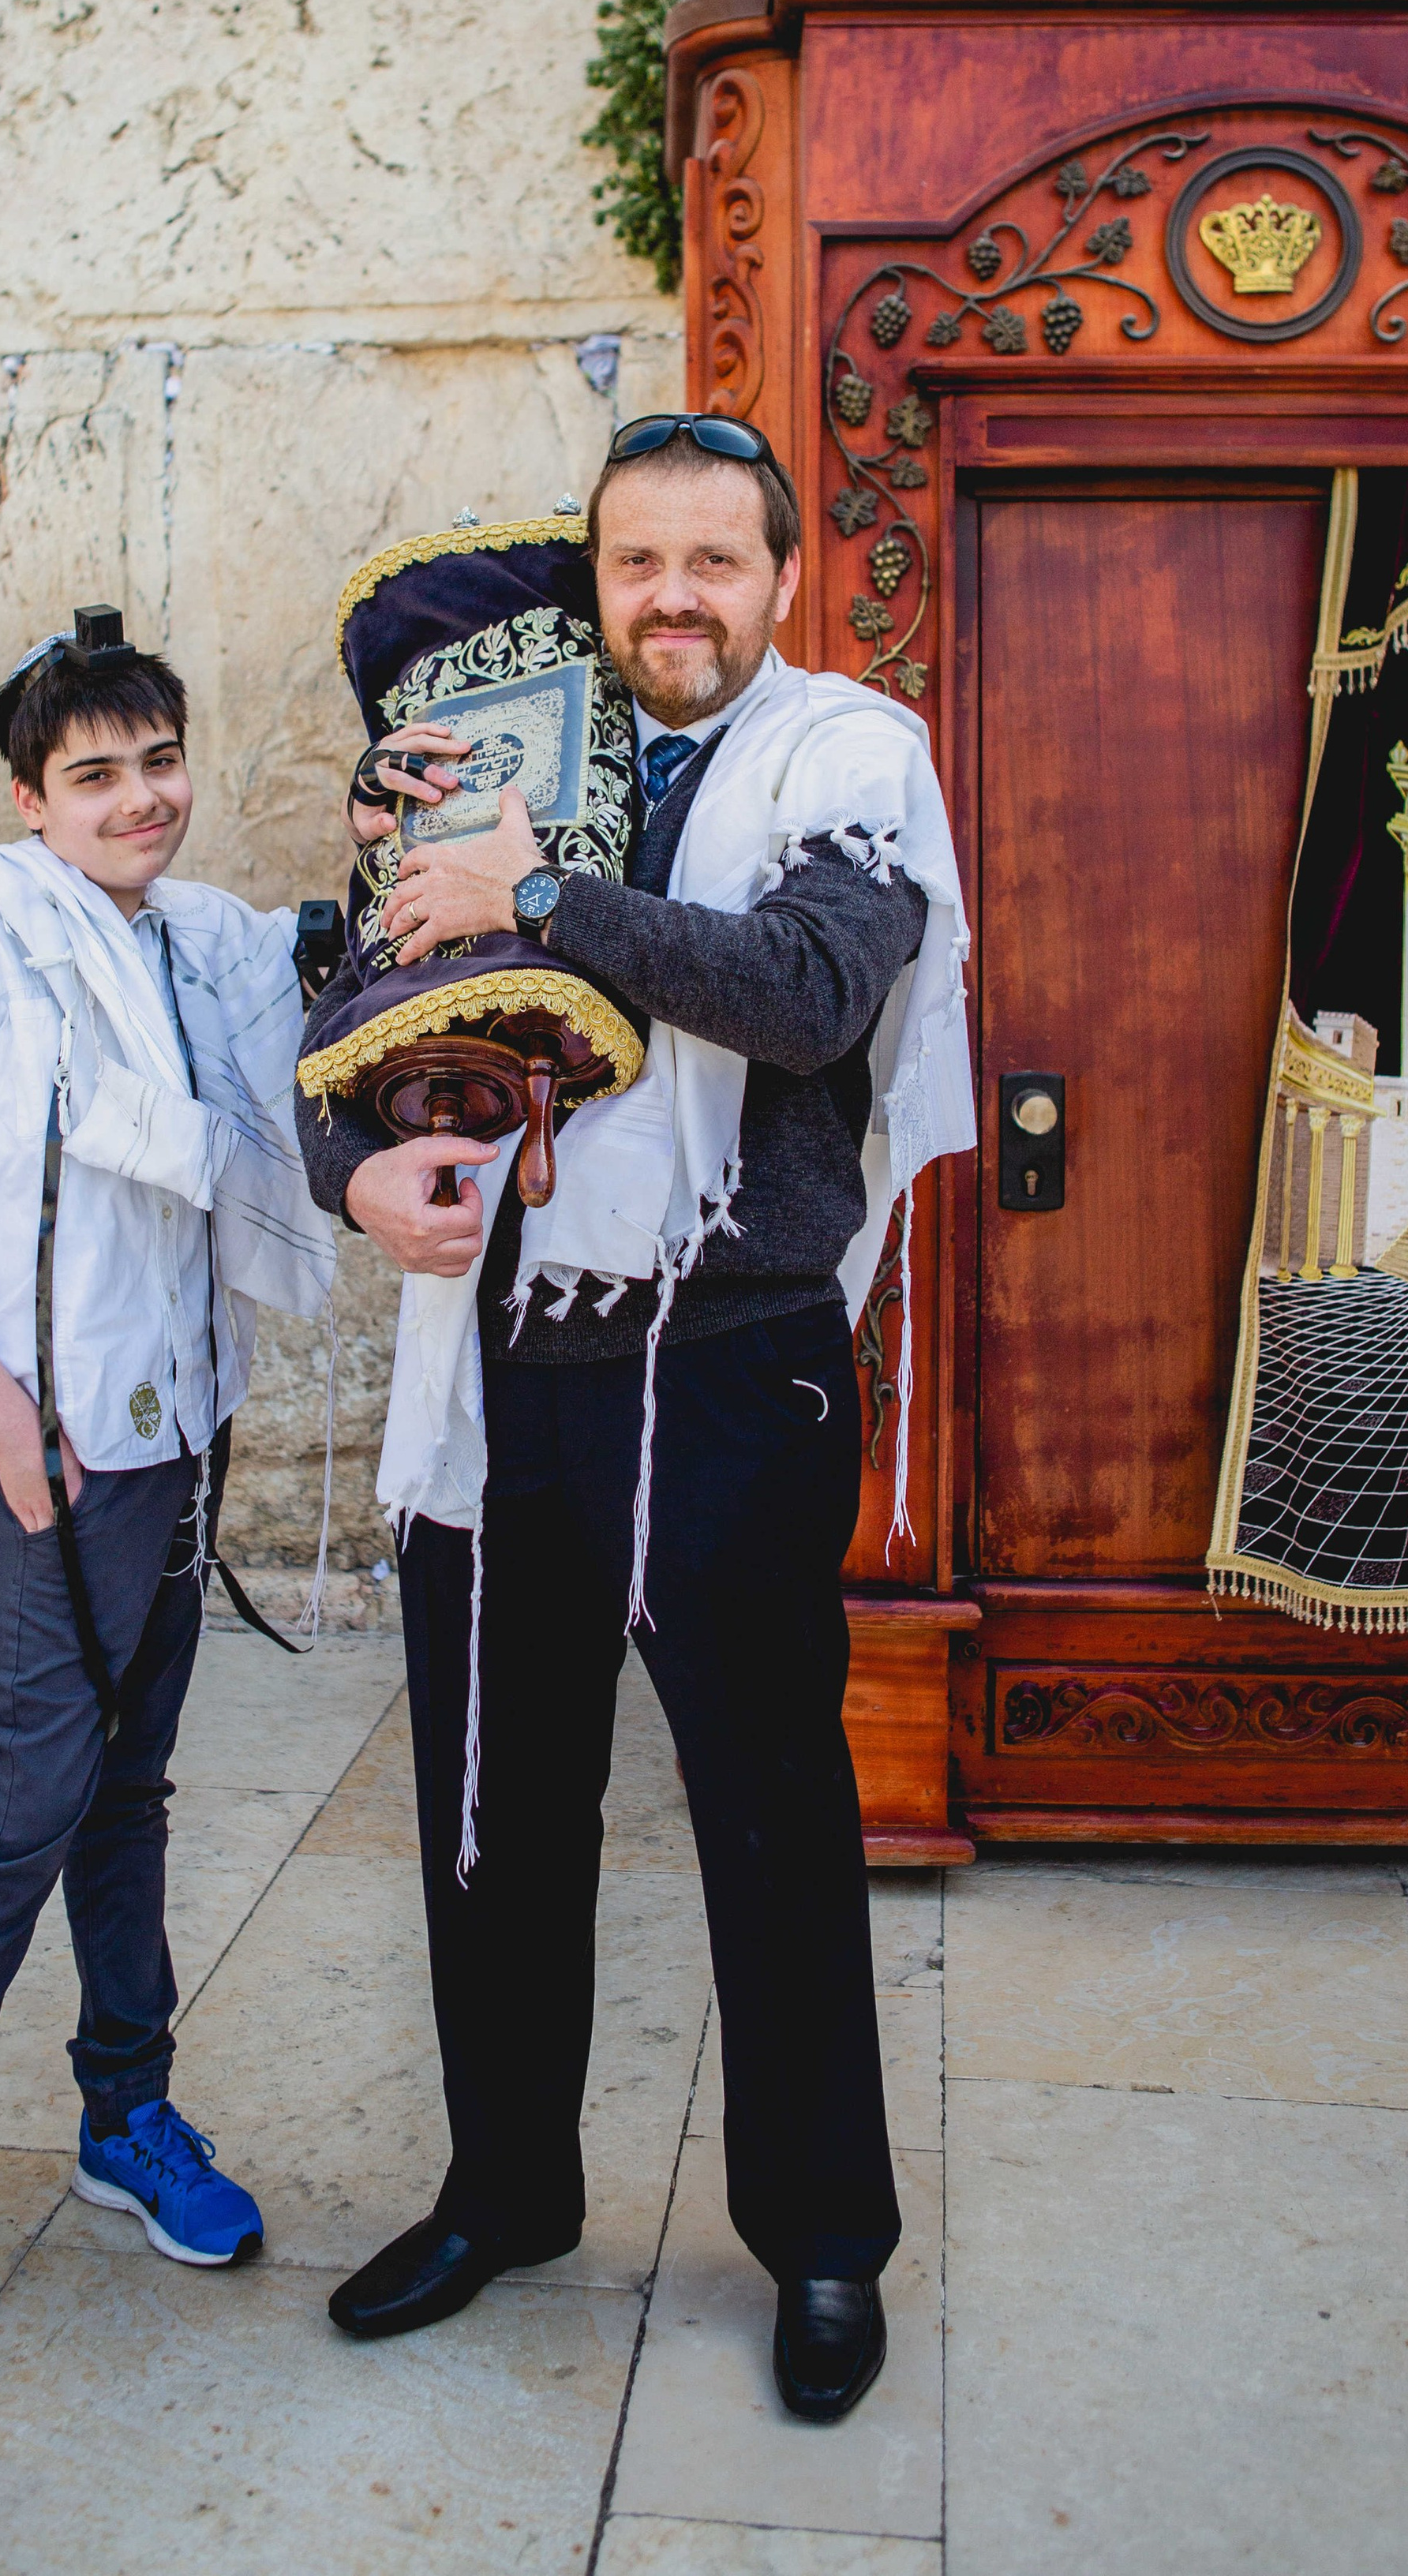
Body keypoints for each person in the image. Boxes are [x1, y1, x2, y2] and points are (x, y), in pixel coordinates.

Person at [294, 417, 972, 2421]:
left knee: (766, 1816)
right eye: (634, 564)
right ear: (593, 576)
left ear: (778, 577)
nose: (671, 599)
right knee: (498, 1818)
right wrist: (354, 1164)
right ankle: (505, 2192)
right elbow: (350, 985)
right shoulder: (496, 739)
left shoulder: (846, 755)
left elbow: (808, 992)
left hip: (730, 1357)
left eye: (711, 562)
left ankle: (824, 2245)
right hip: (504, 1365)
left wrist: (548, 895)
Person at [0, 611, 334, 2364]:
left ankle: (126, 2115)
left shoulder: (195, 943)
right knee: (29, 1793)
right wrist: (4, 1421)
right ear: (31, 795)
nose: (140, 798)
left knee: (128, 1793)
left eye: (158, 761)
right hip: (31, 1443)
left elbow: (304, 990)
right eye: (96, 773)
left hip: (168, 1429)